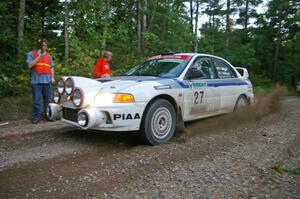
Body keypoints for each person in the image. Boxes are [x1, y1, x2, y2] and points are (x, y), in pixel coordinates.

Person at [26, 38, 55, 124]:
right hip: (36, 82)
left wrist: (52, 77)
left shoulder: (49, 56)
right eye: (43, 45)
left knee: (48, 100)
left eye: (45, 45)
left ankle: (48, 116)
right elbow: (29, 65)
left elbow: (51, 67)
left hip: (47, 82)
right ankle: (36, 117)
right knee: (37, 101)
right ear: (39, 46)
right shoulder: (31, 54)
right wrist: (38, 57)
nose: (45, 47)